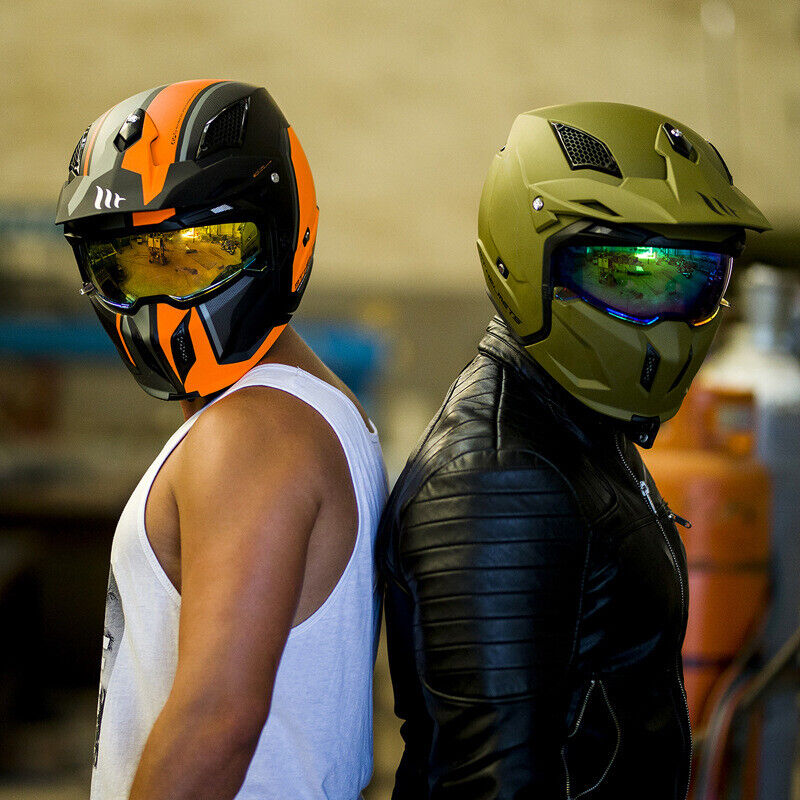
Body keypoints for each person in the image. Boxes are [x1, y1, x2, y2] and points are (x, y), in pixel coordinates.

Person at [378, 102, 769, 799]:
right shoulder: (499, 478)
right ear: (532, 259)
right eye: (628, 275)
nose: (665, 316)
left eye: (690, 280)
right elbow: (494, 781)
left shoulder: (579, 422)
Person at [55, 79, 388, 800]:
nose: (160, 300)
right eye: (130, 264)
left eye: (196, 256)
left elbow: (216, 723)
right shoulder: (313, 407)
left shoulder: (250, 432)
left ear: (278, 234)